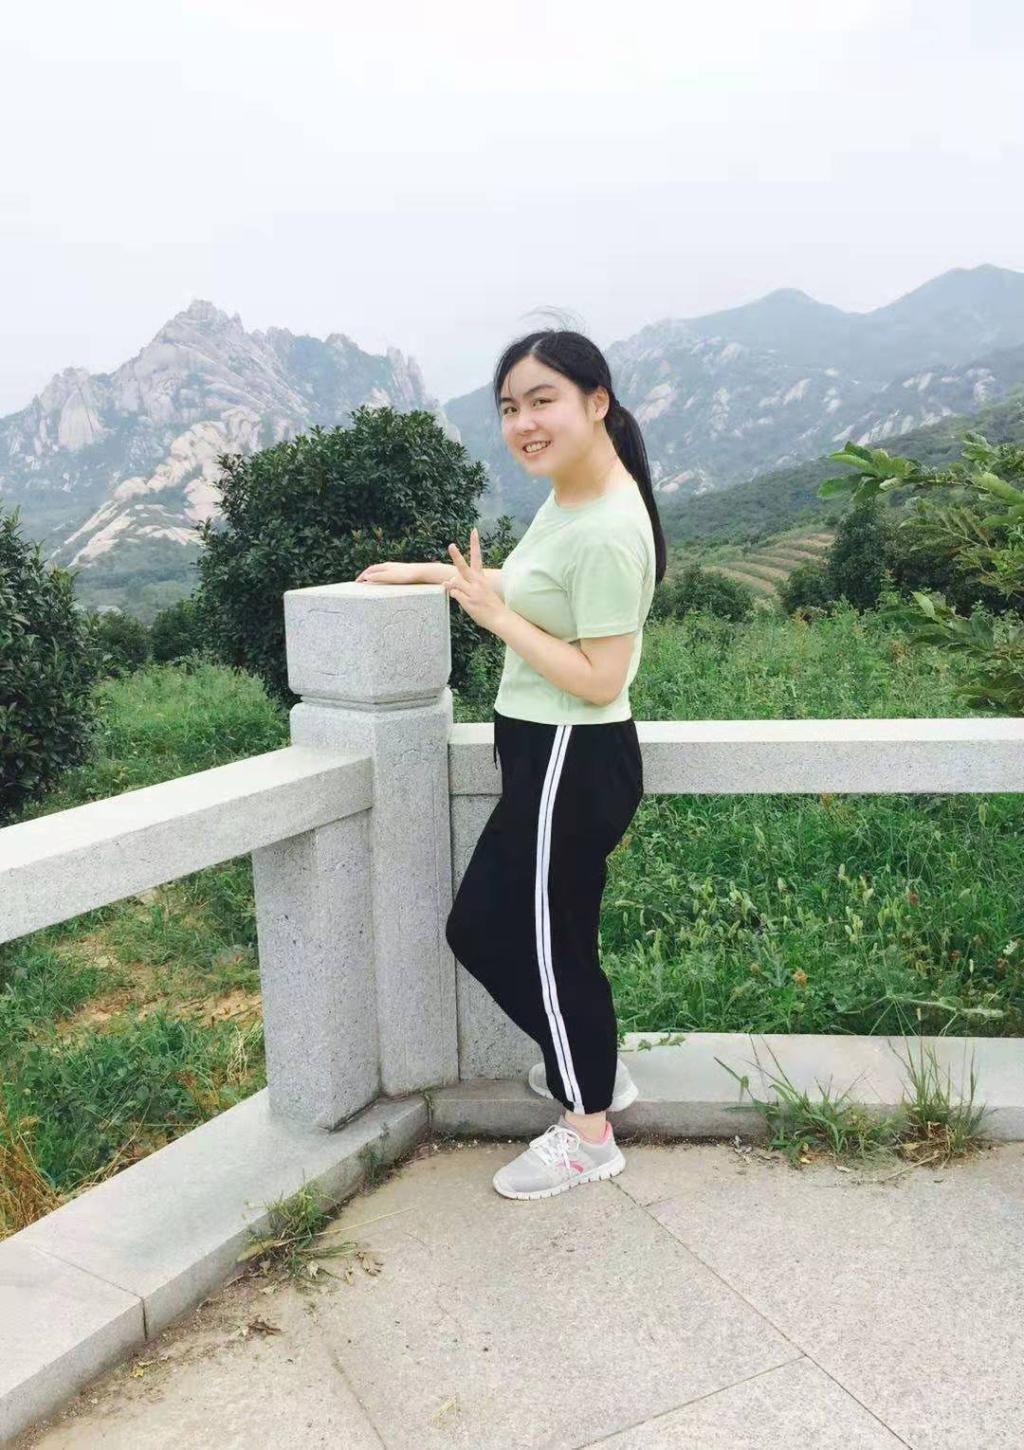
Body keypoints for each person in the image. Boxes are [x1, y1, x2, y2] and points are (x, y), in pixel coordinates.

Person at [355, 328, 666, 1200]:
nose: (524, 422)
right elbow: (533, 589)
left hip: (573, 753)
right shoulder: (569, 496)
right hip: (545, 751)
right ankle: (590, 1068)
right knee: (537, 934)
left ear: (596, 402)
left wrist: (494, 620)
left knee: (508, 935)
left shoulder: (607, 527)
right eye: (510, 407)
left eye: (542, 401)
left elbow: (602, 678)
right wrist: (432, 574)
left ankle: (588, 1130)